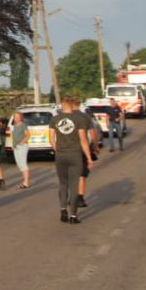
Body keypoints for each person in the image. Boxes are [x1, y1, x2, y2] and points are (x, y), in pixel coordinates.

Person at [48, 96, 94, 224]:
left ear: (62, 105)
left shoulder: (55, 119)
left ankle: (63, 209)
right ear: (71, 104)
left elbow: (50, 137)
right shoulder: (79, 119)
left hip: (60, 155)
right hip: (75, 154)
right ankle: (73, 216)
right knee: (74, 185)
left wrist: (56, 148)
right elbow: (84, 140)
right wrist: (89, 157)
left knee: (63, 183)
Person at [9, 110, 31, 188]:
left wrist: (22, 142)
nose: (16, 118)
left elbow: (28, 135)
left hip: (22, 146)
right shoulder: (14, 126)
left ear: (21, 118)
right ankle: (24, 181)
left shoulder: (23, 125)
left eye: (18, 117)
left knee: (23, 164)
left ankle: (26, 182)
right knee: (19, 164)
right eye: (15, 117)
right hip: (16, 147)